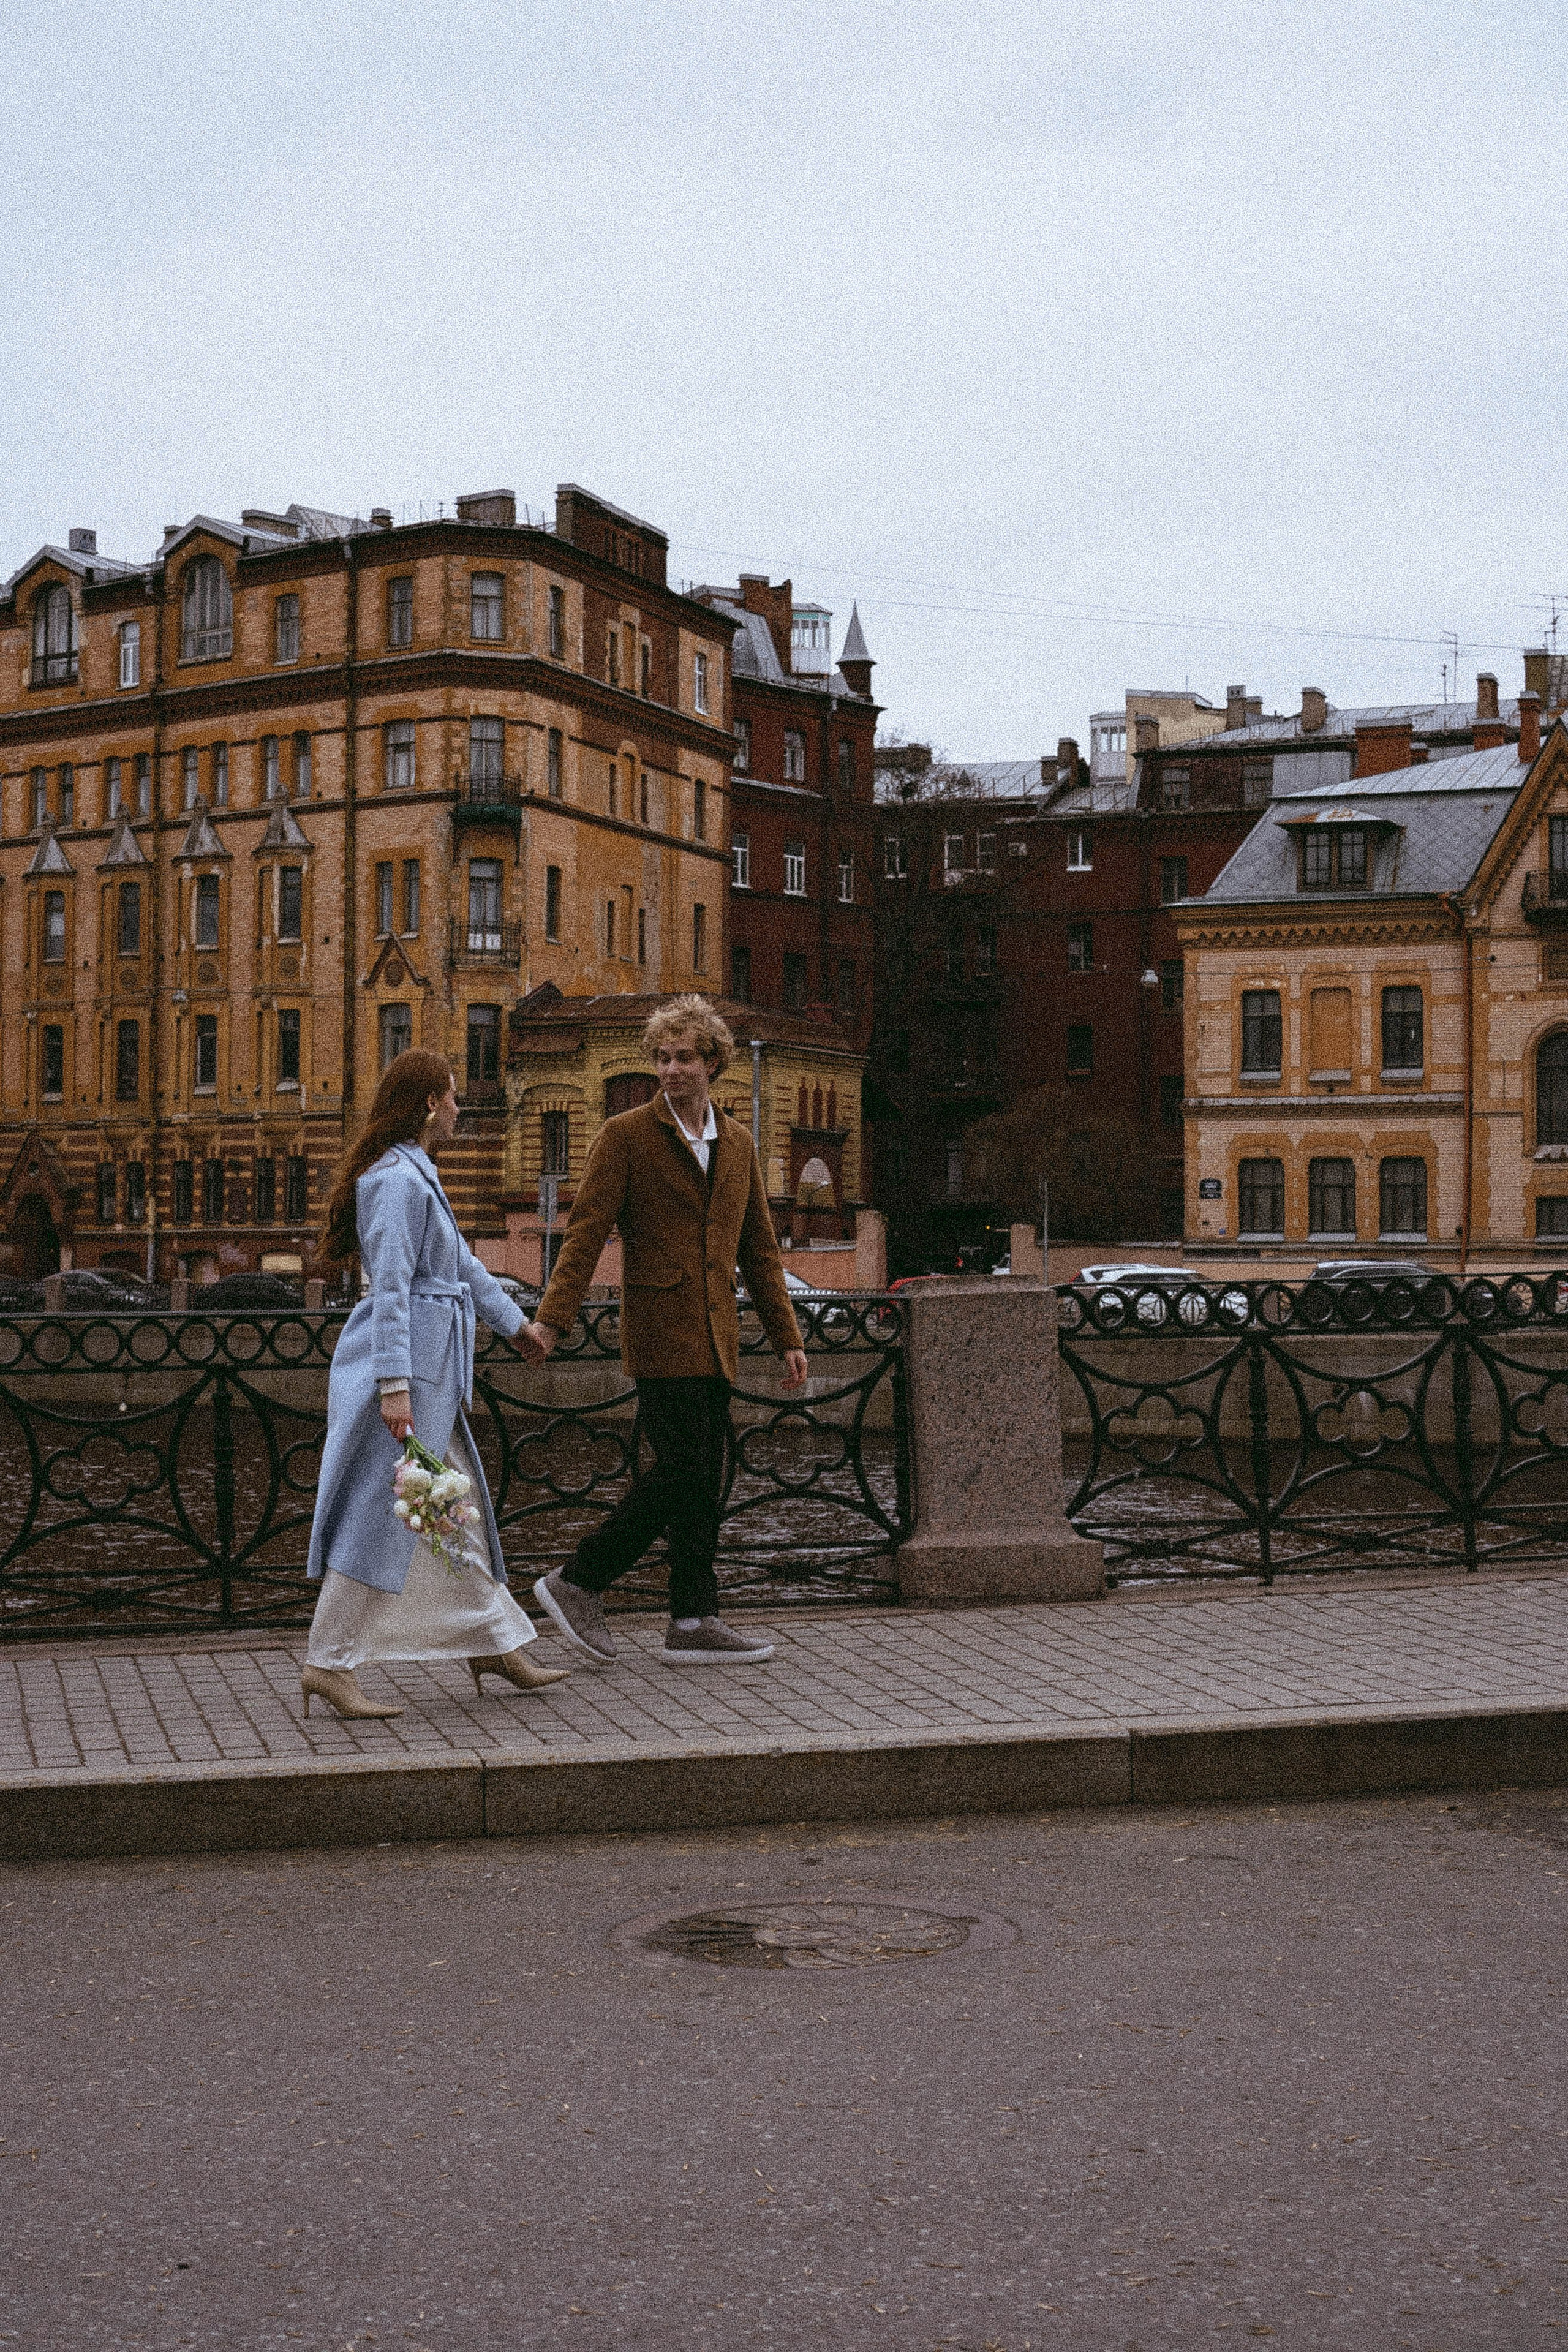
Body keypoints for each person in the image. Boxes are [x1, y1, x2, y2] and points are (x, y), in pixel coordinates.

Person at [518, 995, 807, 1667]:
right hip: (660, 1331)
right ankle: (580, 1579)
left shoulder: (737, 1144)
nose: (671, 1070)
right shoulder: (625, 1136)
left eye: (684, 1057)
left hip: (717, 1336)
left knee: (703, 1479)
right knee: (682, 1470)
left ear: (713, 1063)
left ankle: (693, 1617)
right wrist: (551, 1321)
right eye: (662, 1058)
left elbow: (759, 1250)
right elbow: (585, 1234)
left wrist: (785, 1334)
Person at [301, 1049, 568, 1721]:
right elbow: (388, 1289)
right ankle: (327, 1662)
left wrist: (517, 1327)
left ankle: (490, 1640)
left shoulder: (414, 1174)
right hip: (410, 1376)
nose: (458, 1108)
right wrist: (394, 1387)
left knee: (451, 1511)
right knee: (385, 1513)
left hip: (428, 1374)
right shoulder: (395, 1181)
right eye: (451, 1097)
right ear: (428, 1103)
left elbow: (463, 1267)